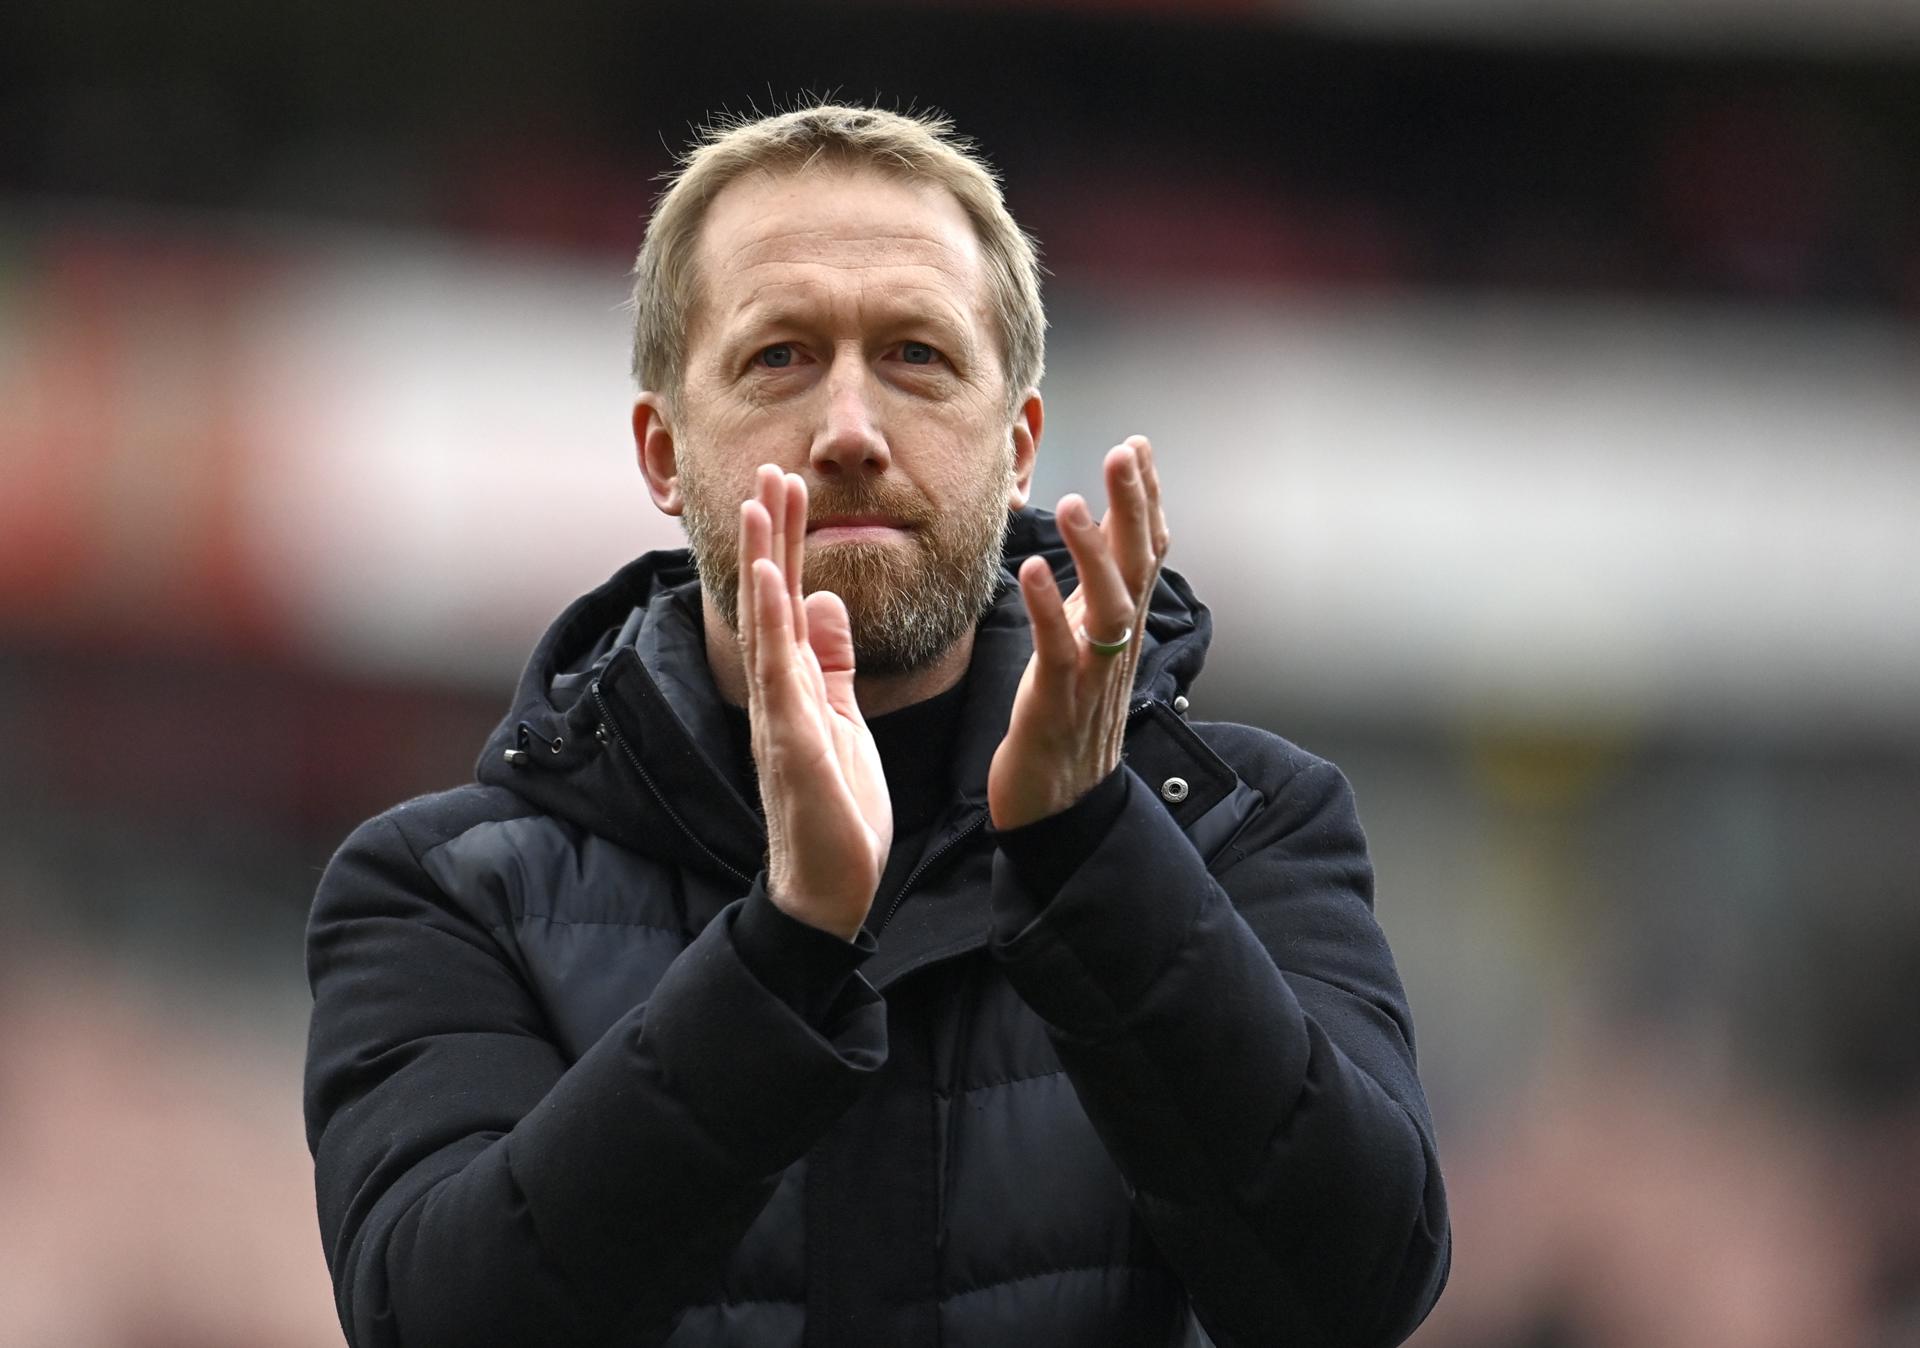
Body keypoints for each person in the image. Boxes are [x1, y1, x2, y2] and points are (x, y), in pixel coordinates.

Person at [303, 103, 1450, 1348]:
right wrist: (784, 953)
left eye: (916, 355)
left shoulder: (1239, 827)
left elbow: (1357, 1290)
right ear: (665, 452)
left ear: (1016, 445)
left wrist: (1092, 856)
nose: (850, 429)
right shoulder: (438, 891)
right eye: (779, 357)